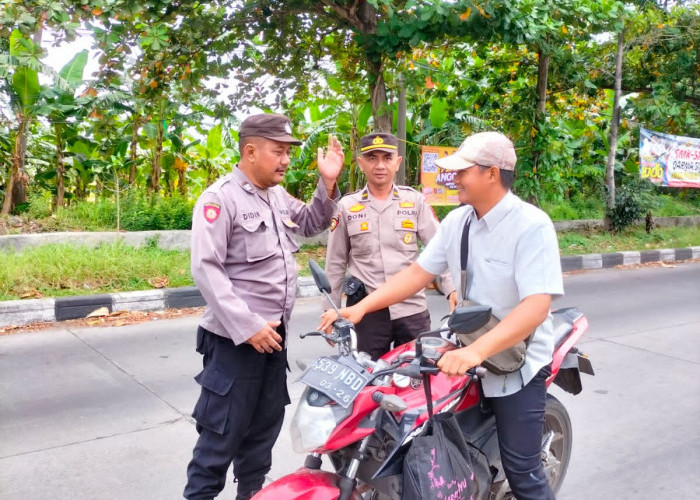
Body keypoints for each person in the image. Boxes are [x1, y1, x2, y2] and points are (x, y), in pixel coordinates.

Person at [320, 131, 564, 500]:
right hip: (464, 345)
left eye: (462, 171)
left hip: (517, 360)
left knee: (523, 471)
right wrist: (360, 308)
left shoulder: (532, 226)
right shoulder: (459, 222)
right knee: (421, 431)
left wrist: (474, 352)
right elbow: (417, 274)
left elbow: (536, 307)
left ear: (492, 174)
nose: (453, 178)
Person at [184, 113, 344, 500]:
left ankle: (251, 494)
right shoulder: (220, 198)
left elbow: (311, 223)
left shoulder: (276, 195)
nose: (286, 160)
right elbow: (207, 270)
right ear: (250, 150)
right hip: (235, 342)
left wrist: (327, 182)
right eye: (279, 151)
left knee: (261, 433)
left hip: (273, 339)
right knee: (219, 437)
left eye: (288, 151)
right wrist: (248, 326)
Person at [325, 132, 457, 360]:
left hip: (412, 309)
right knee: (367, 380)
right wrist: (331, 310)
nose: (380, 165)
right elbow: (335, 264)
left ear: (397, 163)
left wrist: (452, 289)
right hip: (367, 312)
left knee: (418, 380)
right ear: (361, 163)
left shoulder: (414, 202)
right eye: (372, 158)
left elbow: (440, 249)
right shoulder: (346, 206)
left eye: (387, 158)